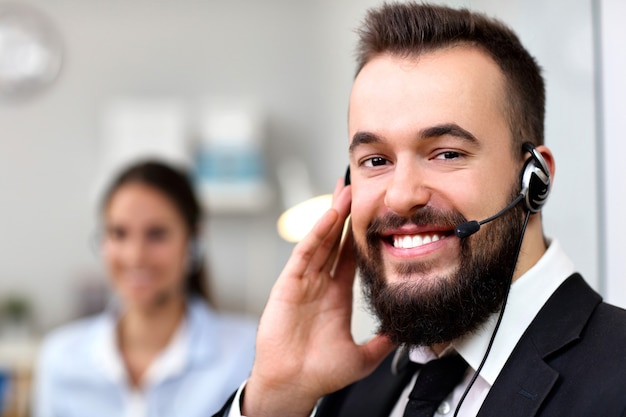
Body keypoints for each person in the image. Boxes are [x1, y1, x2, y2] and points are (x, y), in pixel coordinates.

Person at [213, 3, 626, 417]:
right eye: (375, 161)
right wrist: (276, 397)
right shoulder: (346, 393)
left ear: (534, 178)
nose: (400, 196)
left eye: (446, 153)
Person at [33, 160, 258, 417]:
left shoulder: (248, 352)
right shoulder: (61, 359)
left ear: (193, 242)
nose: (135, 256)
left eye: (156, 234)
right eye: (119, 233)